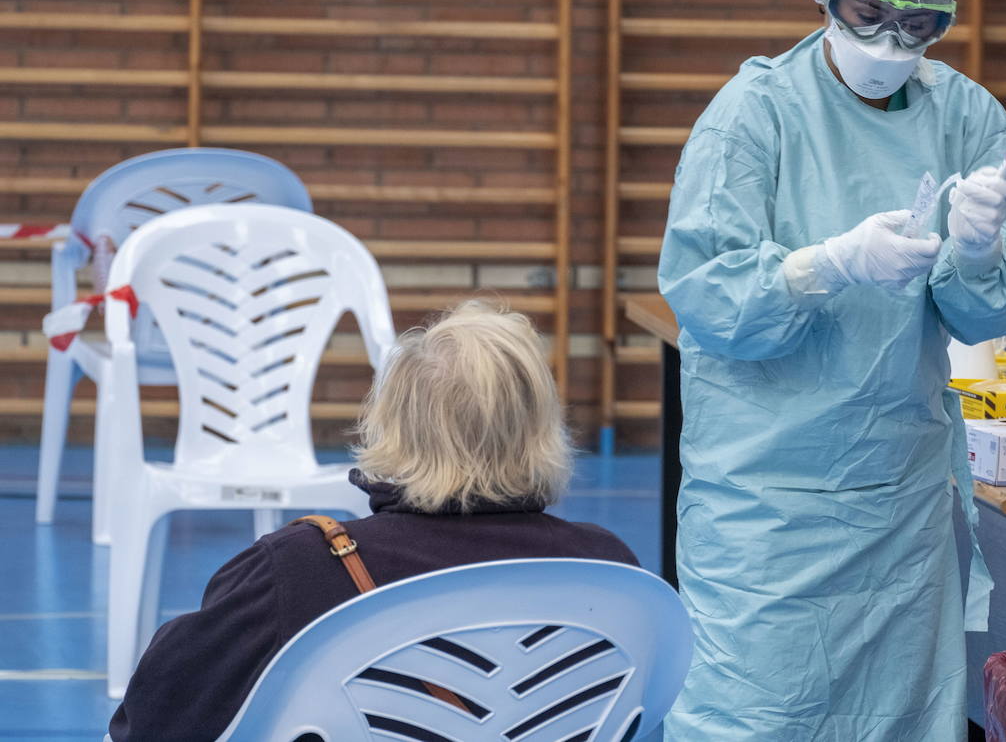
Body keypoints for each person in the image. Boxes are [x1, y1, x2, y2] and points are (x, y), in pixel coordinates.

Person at [657, 0, 1006, 740]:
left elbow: (997, 305)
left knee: (900, 718)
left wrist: (981, 253)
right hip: (767, 495)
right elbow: (705, 292)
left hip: (900, 496)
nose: (887, 45)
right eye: (866, 15)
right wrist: (826, 265)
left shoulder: (967, 118)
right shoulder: (754, 116)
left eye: (916, 26)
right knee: (757, 713)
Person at [108, 301, 638, 741]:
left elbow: (149, 722)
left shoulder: (298, 569)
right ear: (542, 428)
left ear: (390, 424)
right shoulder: (612, 573)